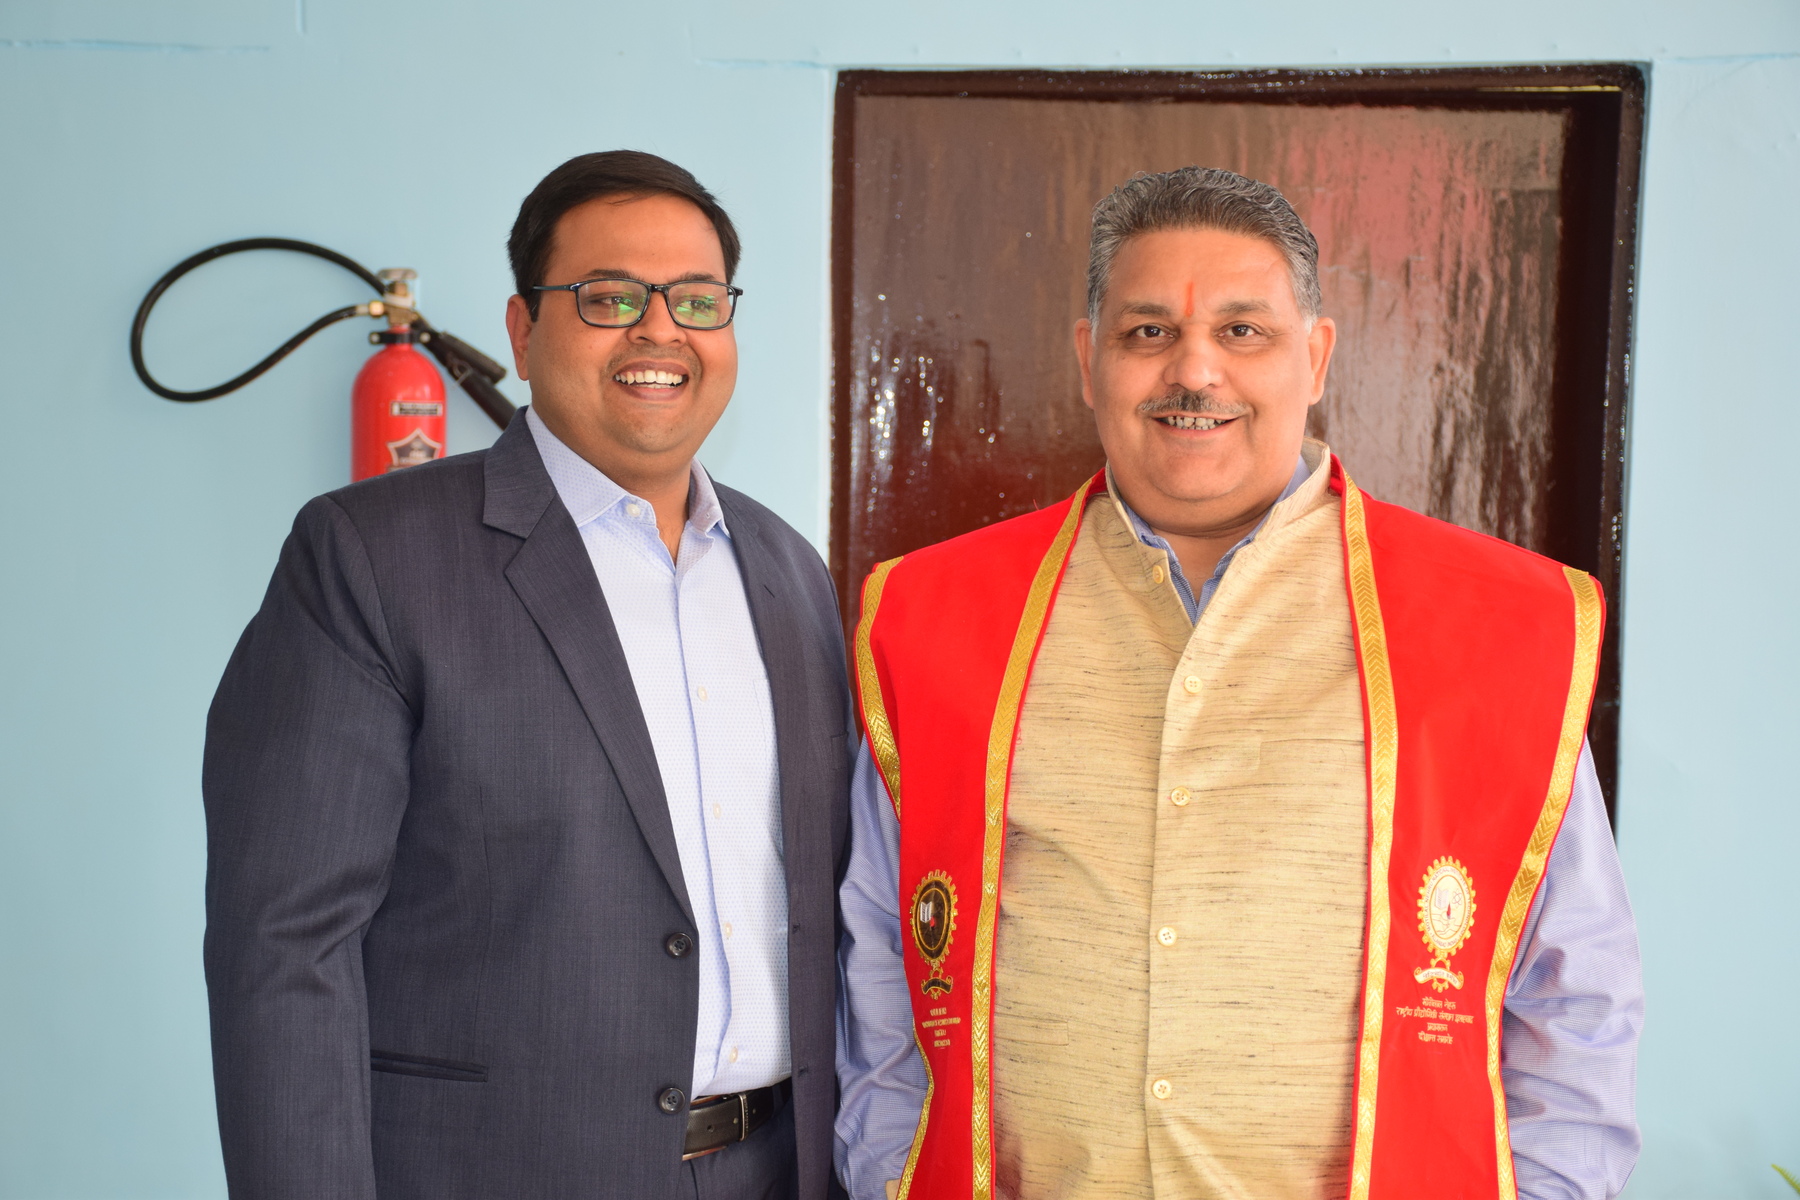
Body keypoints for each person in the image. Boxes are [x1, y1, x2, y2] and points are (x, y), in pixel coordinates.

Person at [835, 167, 1641, 1200]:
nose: (1195, 370)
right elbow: (884, 980)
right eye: (1148, 332)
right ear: (1088, 360)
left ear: (1317, 356)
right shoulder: (936, 617)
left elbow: (1574, 1002)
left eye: (1242, 331)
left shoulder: (1495, 626)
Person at [204, 151, 852, 1200]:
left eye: (696, 300)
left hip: (781, 1169)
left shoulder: (789, 570)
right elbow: (285, 951)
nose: (659, 331)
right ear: (522, 329)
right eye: (609, 297)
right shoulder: (372, 558)